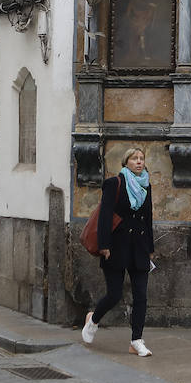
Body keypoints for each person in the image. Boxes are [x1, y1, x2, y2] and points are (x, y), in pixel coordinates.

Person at [81, 147, 155, 357]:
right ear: (126, 162)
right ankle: (93, 319)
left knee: (141, 296)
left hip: (139, 248)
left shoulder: (146, 186)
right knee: (114, 294)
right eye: (134, 159)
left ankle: (136, 341)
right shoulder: (114, 183)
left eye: (141, 158)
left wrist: (150, 248)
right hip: (116, 247)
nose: (139, 162)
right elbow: (105, 216)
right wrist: (104, 245)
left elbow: (148, 218)